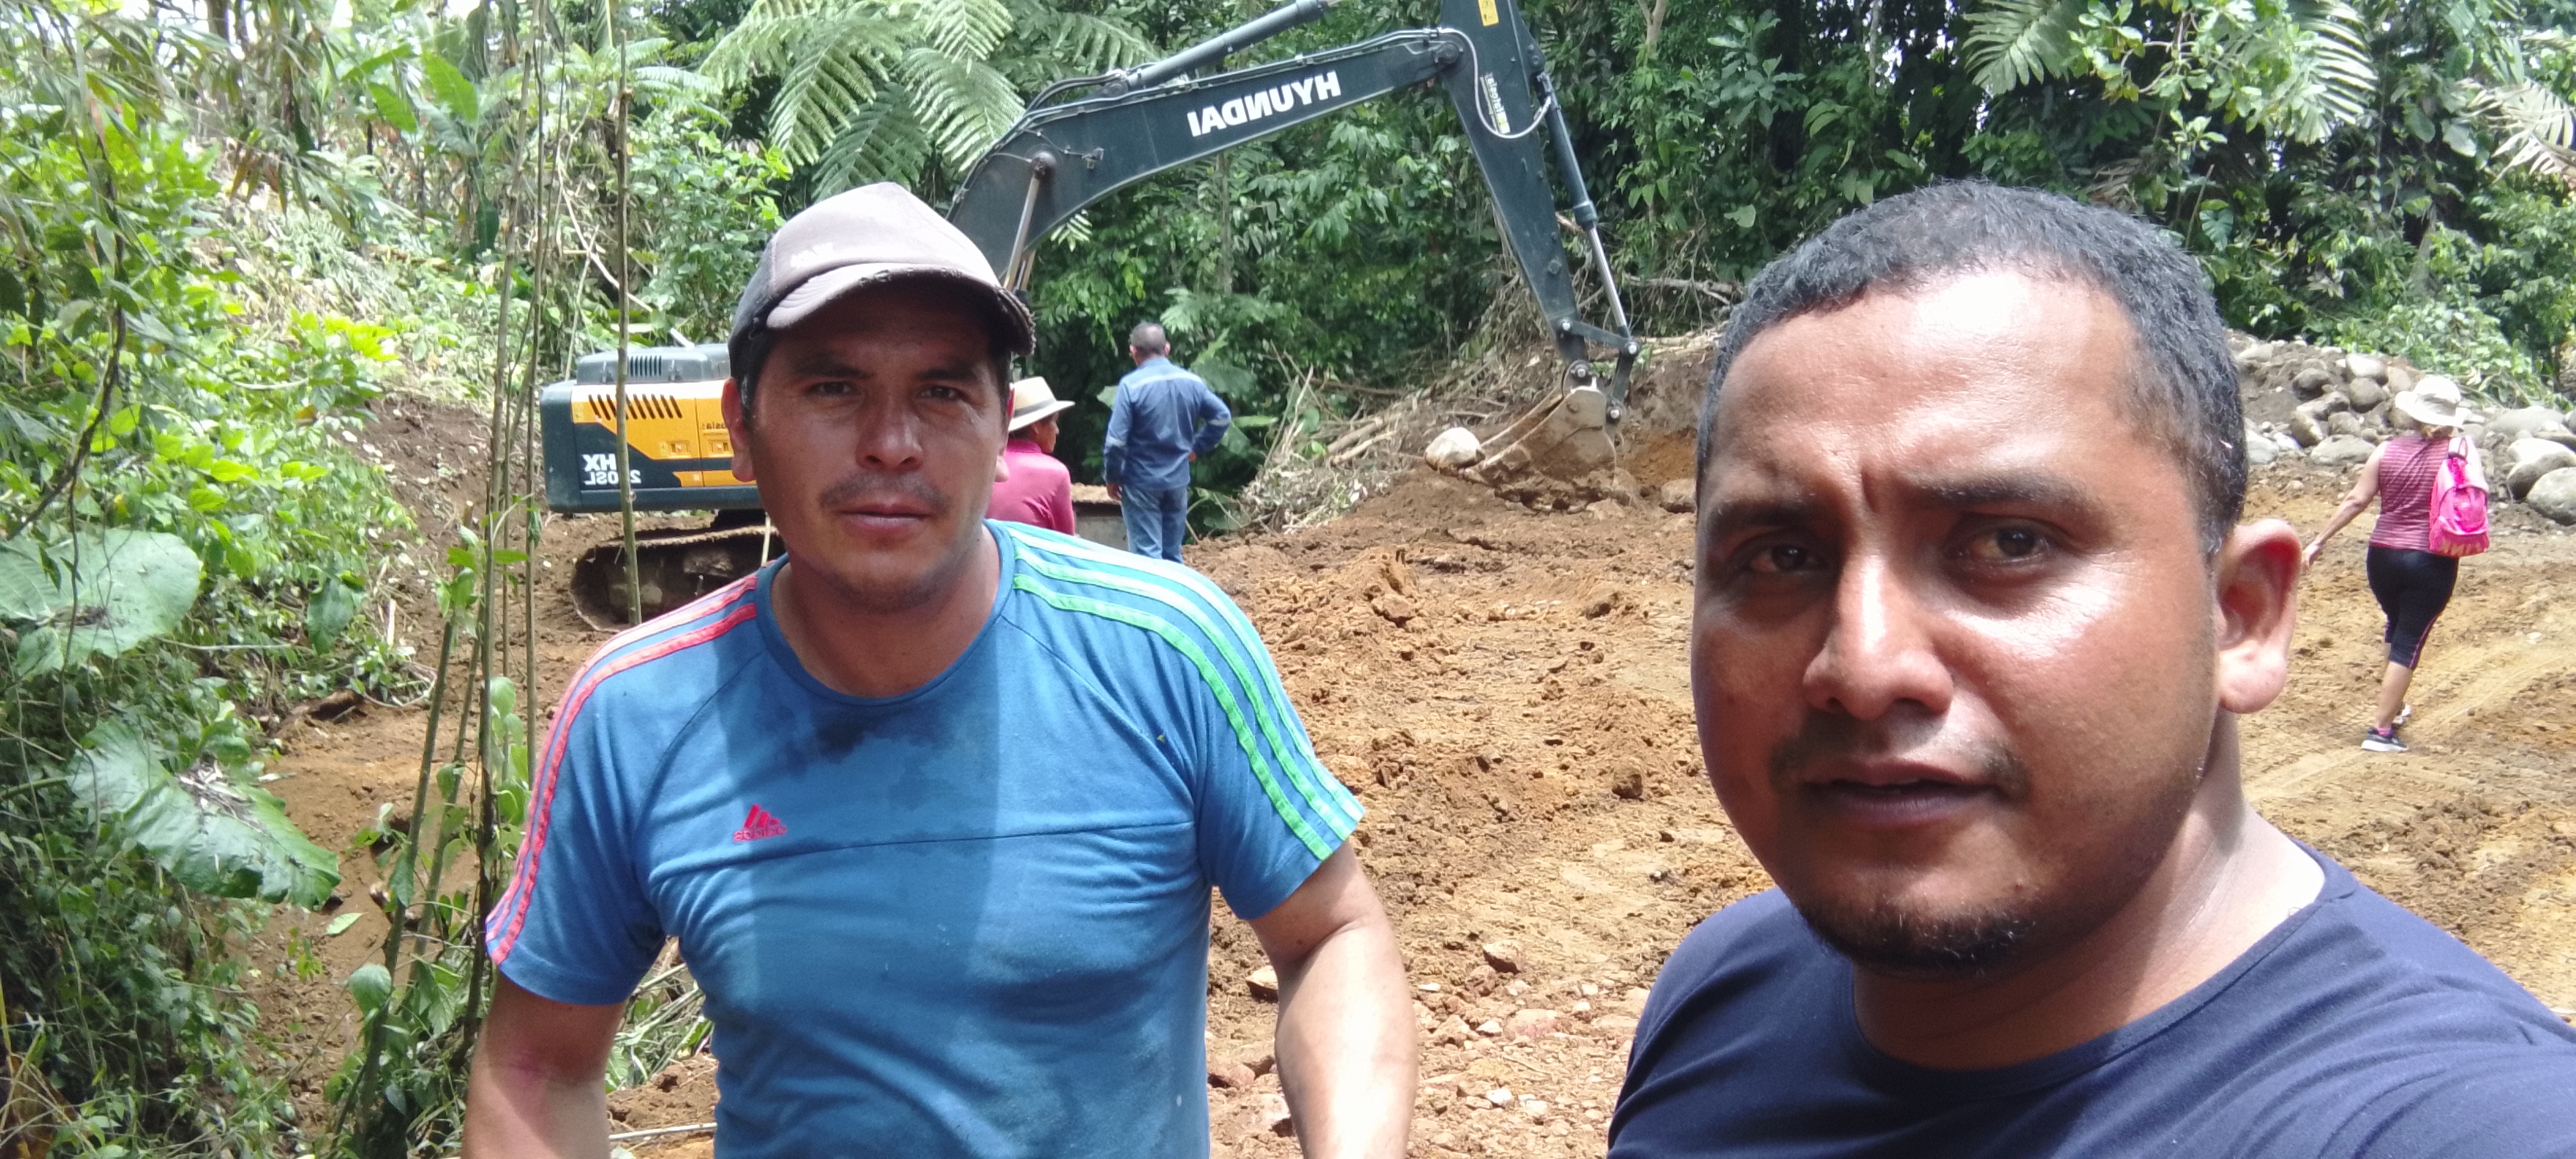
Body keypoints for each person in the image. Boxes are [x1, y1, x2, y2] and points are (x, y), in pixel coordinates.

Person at [1608, 182, 2576, 1157]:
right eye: (1779, 557)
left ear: (2239, 617)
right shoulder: (1719, 996)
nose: (1861, 669)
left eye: (2009, 542)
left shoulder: (2470, 1126)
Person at [461, 182, 1414, 1158]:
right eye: (833, 389)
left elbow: (1329, 937)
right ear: (740, 427)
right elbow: (535, 1066)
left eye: (942, 392)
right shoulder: (635, 714)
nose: (891, 443)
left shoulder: (1168, 653)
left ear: (1001, 428)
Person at [2299, 377, 2481, 753]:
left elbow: (2356, 500)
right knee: (2409, 642)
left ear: (2413, 414)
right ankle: (2380, 731)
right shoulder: (2460, 450)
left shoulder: (2386, 451)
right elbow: (2474, 498)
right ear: (2451, 418)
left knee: (2396, 625)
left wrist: (2319, 541)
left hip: (2381, 558)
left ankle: (2395, 709)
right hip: (2430, 558)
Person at [1104, 320, 1230, 563]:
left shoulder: (1131, 386)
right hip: (1177, 482)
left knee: (1147, 557)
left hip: (1141, 483)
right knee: (1172, 555)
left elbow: (1116, 443)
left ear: (1133, 351)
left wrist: (1112, 477)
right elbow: (1221, 417)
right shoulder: (1192, 382)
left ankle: (1151, 590)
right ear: (1167, 349)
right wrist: (1197, 447)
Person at [988, 375, 1077, 534]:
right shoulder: (1056, 473)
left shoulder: (986, 462)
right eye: (1053, 422)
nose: (1057, 430)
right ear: (1035, 426)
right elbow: (1066, 540)